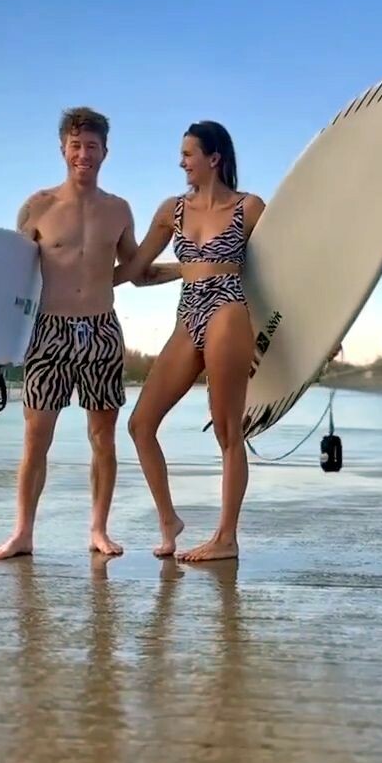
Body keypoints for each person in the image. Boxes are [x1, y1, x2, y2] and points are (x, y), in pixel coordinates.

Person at [0, 106, 179, 561]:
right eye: (76, 145)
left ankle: (98, 529)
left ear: (105, 152)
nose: (84, 154)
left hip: (101, 330)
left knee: (103, 438)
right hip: (48, 331)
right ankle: (22, 532)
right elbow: (15, 277)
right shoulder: (37, 207)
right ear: (63, 149)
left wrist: (192, 269)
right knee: (36, 438)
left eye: (92, 146)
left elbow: (135, 272)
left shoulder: (118, 210)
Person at [114, 121, 265, 562]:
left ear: (213, 158)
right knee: (141, 425)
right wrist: (73, 279)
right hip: (188, 313)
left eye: (188, 154)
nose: (181, 162)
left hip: (228, 309)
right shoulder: (172, 211)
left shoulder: (249, 207)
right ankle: (169, 520)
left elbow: (285, 267)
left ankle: (226, 538)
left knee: (227, 430)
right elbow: (135, 272)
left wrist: (314, 332)